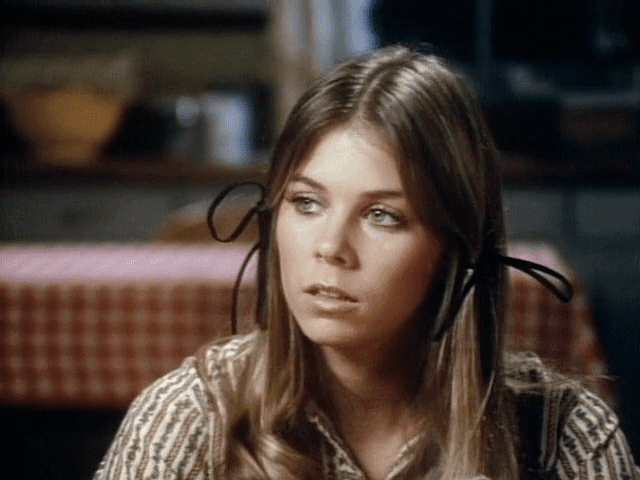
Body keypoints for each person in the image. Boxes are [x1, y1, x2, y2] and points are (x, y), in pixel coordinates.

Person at [94, 45, 639, 480]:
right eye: (307, 203)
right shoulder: (190, 418)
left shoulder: (566, 438)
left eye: (382, 215)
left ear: (454, 246)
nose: (330, 247)